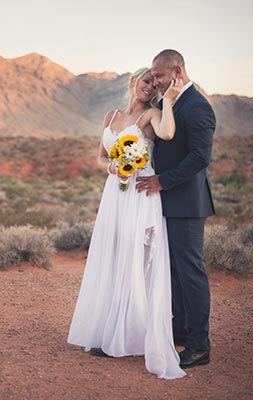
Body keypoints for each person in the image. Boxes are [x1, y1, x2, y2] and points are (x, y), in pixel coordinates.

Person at [67, 67, 186, 379]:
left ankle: (128, 336)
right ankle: (108, 330)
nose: (150, 88)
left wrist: (169, 100)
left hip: (139, 195)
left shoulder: (151, 115)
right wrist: (113, 169)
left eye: (155, 85)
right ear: (133, 81)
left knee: (135, 260)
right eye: (146, 81)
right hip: (115, 194)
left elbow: (167, 134)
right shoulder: (111, 115)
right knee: (113, 256)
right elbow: (100, 157)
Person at [136, 49, 216, 369]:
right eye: (152, 77)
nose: (155, 81)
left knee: (191, 273)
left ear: (177, 72)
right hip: (166, 203)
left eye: (159, 75)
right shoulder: (168, 103)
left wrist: (161, 181)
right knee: (173, 272)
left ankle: (199, 345)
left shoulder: (197, 107)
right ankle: (180, 329)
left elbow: (200, 158)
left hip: (186, 205)